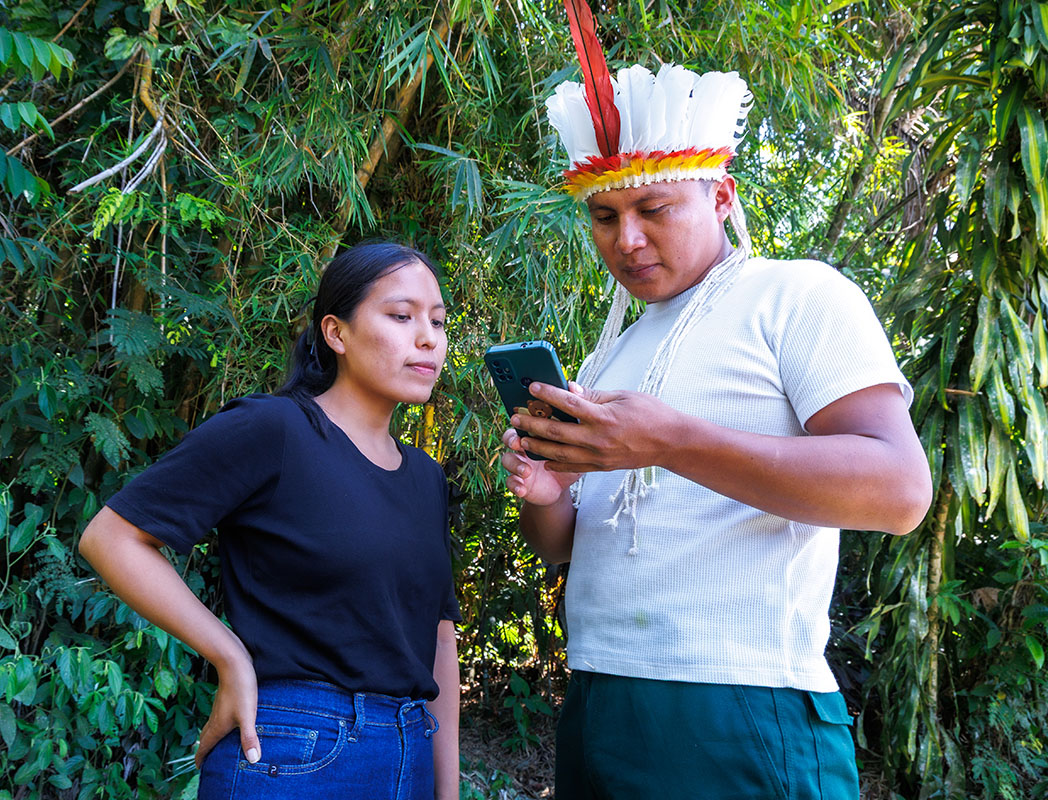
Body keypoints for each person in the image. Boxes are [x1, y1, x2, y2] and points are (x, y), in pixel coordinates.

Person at [499, 5, 934, 799]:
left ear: (723, 196)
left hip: (743, 701)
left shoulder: (797, 295)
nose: (626, 239)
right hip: (600, 696)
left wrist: (670, 442)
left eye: (654, 210)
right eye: (604, 215)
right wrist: (547, 491)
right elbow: (563, 547)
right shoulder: (610, 351)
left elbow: (900, 491)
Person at [79, 242, 461, 800]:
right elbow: (111, 537)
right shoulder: (275, 430)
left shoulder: (427, 477)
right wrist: (229, 654)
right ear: (336, 333)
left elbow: (439, 639)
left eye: (438, 322)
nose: (428, 338)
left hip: (411, 755)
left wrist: (446, 791)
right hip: (294, 751)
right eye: (402, 316)